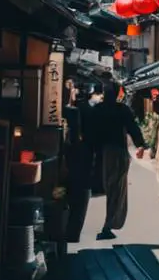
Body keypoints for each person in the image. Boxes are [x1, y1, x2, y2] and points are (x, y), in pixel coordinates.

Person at [88, 80, 148, 241]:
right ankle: (109, 224)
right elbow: (132, 127)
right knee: (116, 189)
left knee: (108, 187)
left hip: (100, 153)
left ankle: (108, 224)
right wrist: (140, 145)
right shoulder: (122, 109)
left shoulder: (97, 110)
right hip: (118, 152)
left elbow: (89, 132)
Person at [63, 82, 93, 243]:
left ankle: (67, 231)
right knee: (78, 197)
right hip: (80, 160)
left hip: (68, 159)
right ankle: (72, 233)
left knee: (65, 196)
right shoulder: (80, 111)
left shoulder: (73, 111)